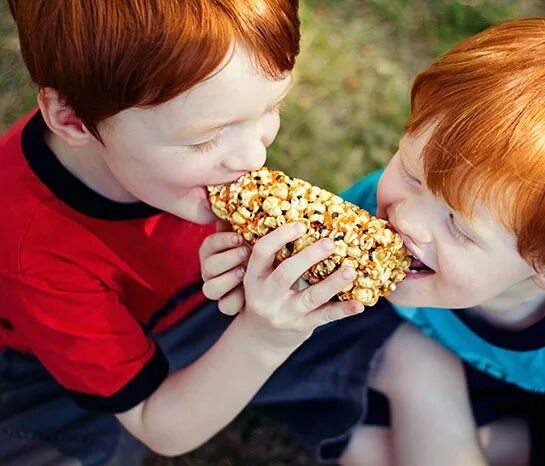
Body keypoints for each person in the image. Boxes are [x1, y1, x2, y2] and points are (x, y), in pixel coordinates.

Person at [201, 17, 545, 466]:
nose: (408, 221)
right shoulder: (379, 211)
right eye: (413, 175)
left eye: (459, 227)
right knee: (362, 447)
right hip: (481, 374)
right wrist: (260, 280)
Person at [0, 1, 365, 465]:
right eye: (203, 140)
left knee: (376, 317)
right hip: (70, 356)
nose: (253, 157)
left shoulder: (175, 159)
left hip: (196, 307)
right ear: (71, 118)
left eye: (271, 107)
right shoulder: (28, 246)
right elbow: (159, 426)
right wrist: (265, 337)